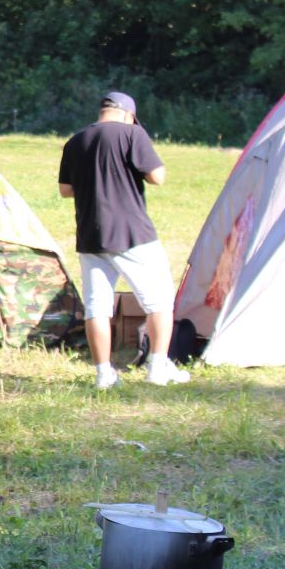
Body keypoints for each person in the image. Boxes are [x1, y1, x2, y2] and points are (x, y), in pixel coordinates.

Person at [59, 91, 192, 389]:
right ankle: (158, 367)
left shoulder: (76, 141)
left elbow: (65, 190)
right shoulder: (133, 134)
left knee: (97, 307)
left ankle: (104, 374)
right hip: (132, 232)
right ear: (128, 114)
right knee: (158, 301)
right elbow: (157, 177)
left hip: (91, 234)